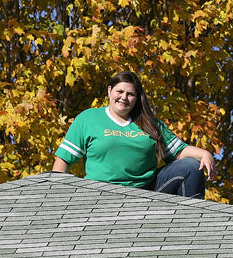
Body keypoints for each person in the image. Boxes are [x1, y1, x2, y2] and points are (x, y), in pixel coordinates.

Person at [51, 71, 216, 198]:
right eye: (119, 91)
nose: (124, 97)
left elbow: (179, 152)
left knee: (191, 166)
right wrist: (56, 197)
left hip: (146, 192)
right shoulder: (88, 118)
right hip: (100, 193)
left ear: (137, 98)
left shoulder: (149, 123)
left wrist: (205, 154)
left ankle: (190, 222)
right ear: (109, 91)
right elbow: (64, 160)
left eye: (130, 94)